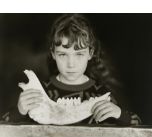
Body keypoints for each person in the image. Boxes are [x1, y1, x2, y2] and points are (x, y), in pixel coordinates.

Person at [2, 14, 141, 125]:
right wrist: (20, 111)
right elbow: (5, 125)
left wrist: (119, 114)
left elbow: (139, 126)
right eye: (63, 54)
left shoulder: (101, 94)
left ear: (90, 53)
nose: (71, 64)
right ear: (53, 54)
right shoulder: (40, 92)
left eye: (79, 54)